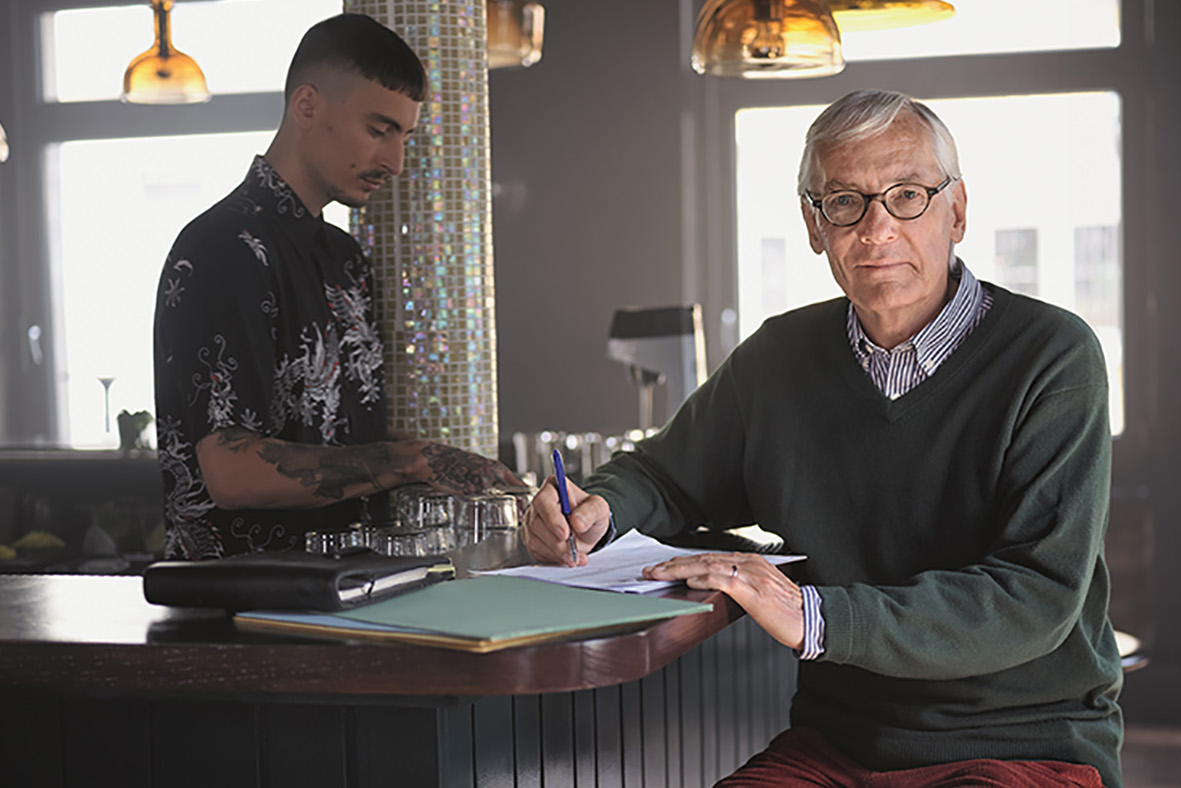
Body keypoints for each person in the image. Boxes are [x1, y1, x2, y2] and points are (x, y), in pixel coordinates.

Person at [523, 89, 1122, 787]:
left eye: (907, 196)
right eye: (845, 202)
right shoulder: (778, 357)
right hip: (839, 743)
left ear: (956, 211)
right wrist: (598, 509)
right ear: (815, 225)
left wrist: (813, 614)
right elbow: (665, 475)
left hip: (1026, 741)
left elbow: (1035, 596)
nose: (876, 230)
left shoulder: (1053, 356)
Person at [154, 14, 518, 560]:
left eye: (404, 136)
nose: (395, 163)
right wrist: (411, 460)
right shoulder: (221, 247)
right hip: (241, 598)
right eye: (378, 130)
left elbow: (340, 443)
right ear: (307, 105)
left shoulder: (345, 260)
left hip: (351, 585)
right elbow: (231, 475)